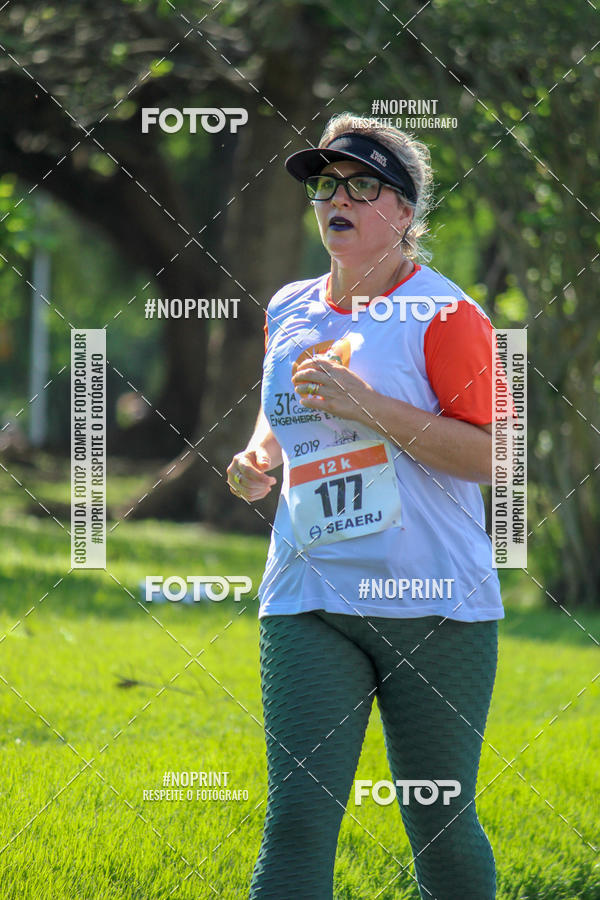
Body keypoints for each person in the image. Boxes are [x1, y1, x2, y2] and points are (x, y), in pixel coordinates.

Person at [227, 111, 503, 900]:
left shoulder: (448, 315)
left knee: (442, 833)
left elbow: (497, 458)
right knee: (298, 826)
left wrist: (369, 407)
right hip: (308, 595)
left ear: (405, 212)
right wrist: (262, 457)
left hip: (434, 602)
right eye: (324, 184)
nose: (334, 198)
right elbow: (284, 402)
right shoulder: (290, 305)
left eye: (361, 185)